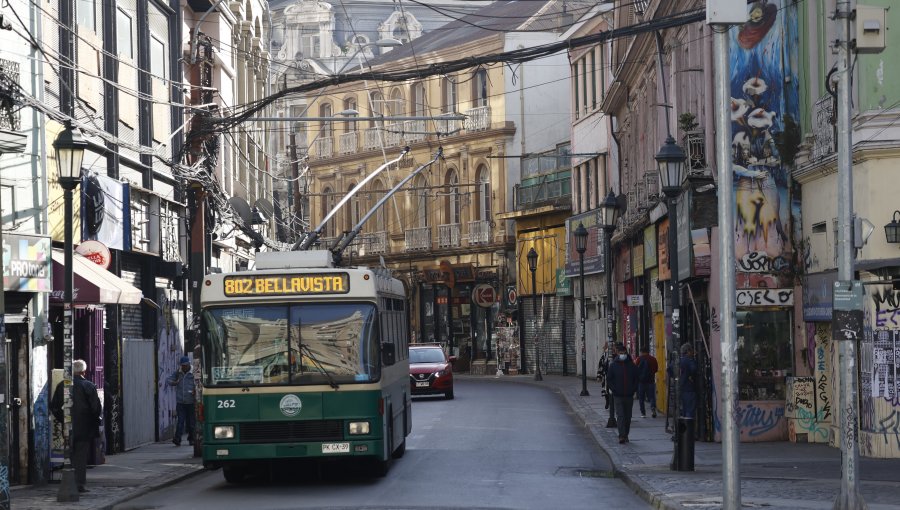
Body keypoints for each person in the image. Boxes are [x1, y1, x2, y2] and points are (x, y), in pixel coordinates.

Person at [50, 359, 102, 493]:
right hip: (85, 427)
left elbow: (54, 406)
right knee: (80, 456)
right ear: (83, 371)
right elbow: (96, 408)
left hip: (68, 427)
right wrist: (94, 420)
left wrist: (63, 419)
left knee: (68, 454)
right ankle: (79, 484)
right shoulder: (89, 386)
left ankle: (68, 481)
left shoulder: (63, 385)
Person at [607, 343, 638, 444]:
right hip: (618, 395)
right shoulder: (613, 365)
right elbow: (609, 379)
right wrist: (614, 389)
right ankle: (621, 436)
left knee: (628, 417)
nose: (622, 354)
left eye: (624, 352)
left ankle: (626, 435)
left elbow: (636, 379)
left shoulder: (632, 365)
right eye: (620, 352)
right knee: (620, 416)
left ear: (626, 353)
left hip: (629, 395)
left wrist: (633, 389)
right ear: (618, 353)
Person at [168, 355, 196, 446]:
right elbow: (169, 380)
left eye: (185, 365)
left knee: (191, 422)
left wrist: (195, 391)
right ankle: (177, 439)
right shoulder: (178, 373)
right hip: (181, 402)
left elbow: (199, 383)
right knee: (180, 421)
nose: (184, 367)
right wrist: (174, 382)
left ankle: (192, 439)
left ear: (188, 364)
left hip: (191, 402)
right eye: (182, 365)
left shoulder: (194, 373)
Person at [635, 346, 659, 418]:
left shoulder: (638, 359)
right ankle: (653, 408)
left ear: (641, 352)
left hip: (641, 382)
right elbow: (656, 369)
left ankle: (643, 413)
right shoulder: (653, 359)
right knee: (652, 397)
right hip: (651, 381)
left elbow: (636, 370)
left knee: (641, 398)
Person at [679, 343, 699, 418]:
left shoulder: (679, 360)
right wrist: (690, 376)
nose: (693, 352)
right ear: (688, 351)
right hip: (689, 388)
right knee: (690, 410)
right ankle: (689, 428)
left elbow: (670, 370)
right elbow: (694, 369)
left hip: (681, 388)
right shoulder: (689, 361)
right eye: (691, 351)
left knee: (683, 410)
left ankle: (685, 426)